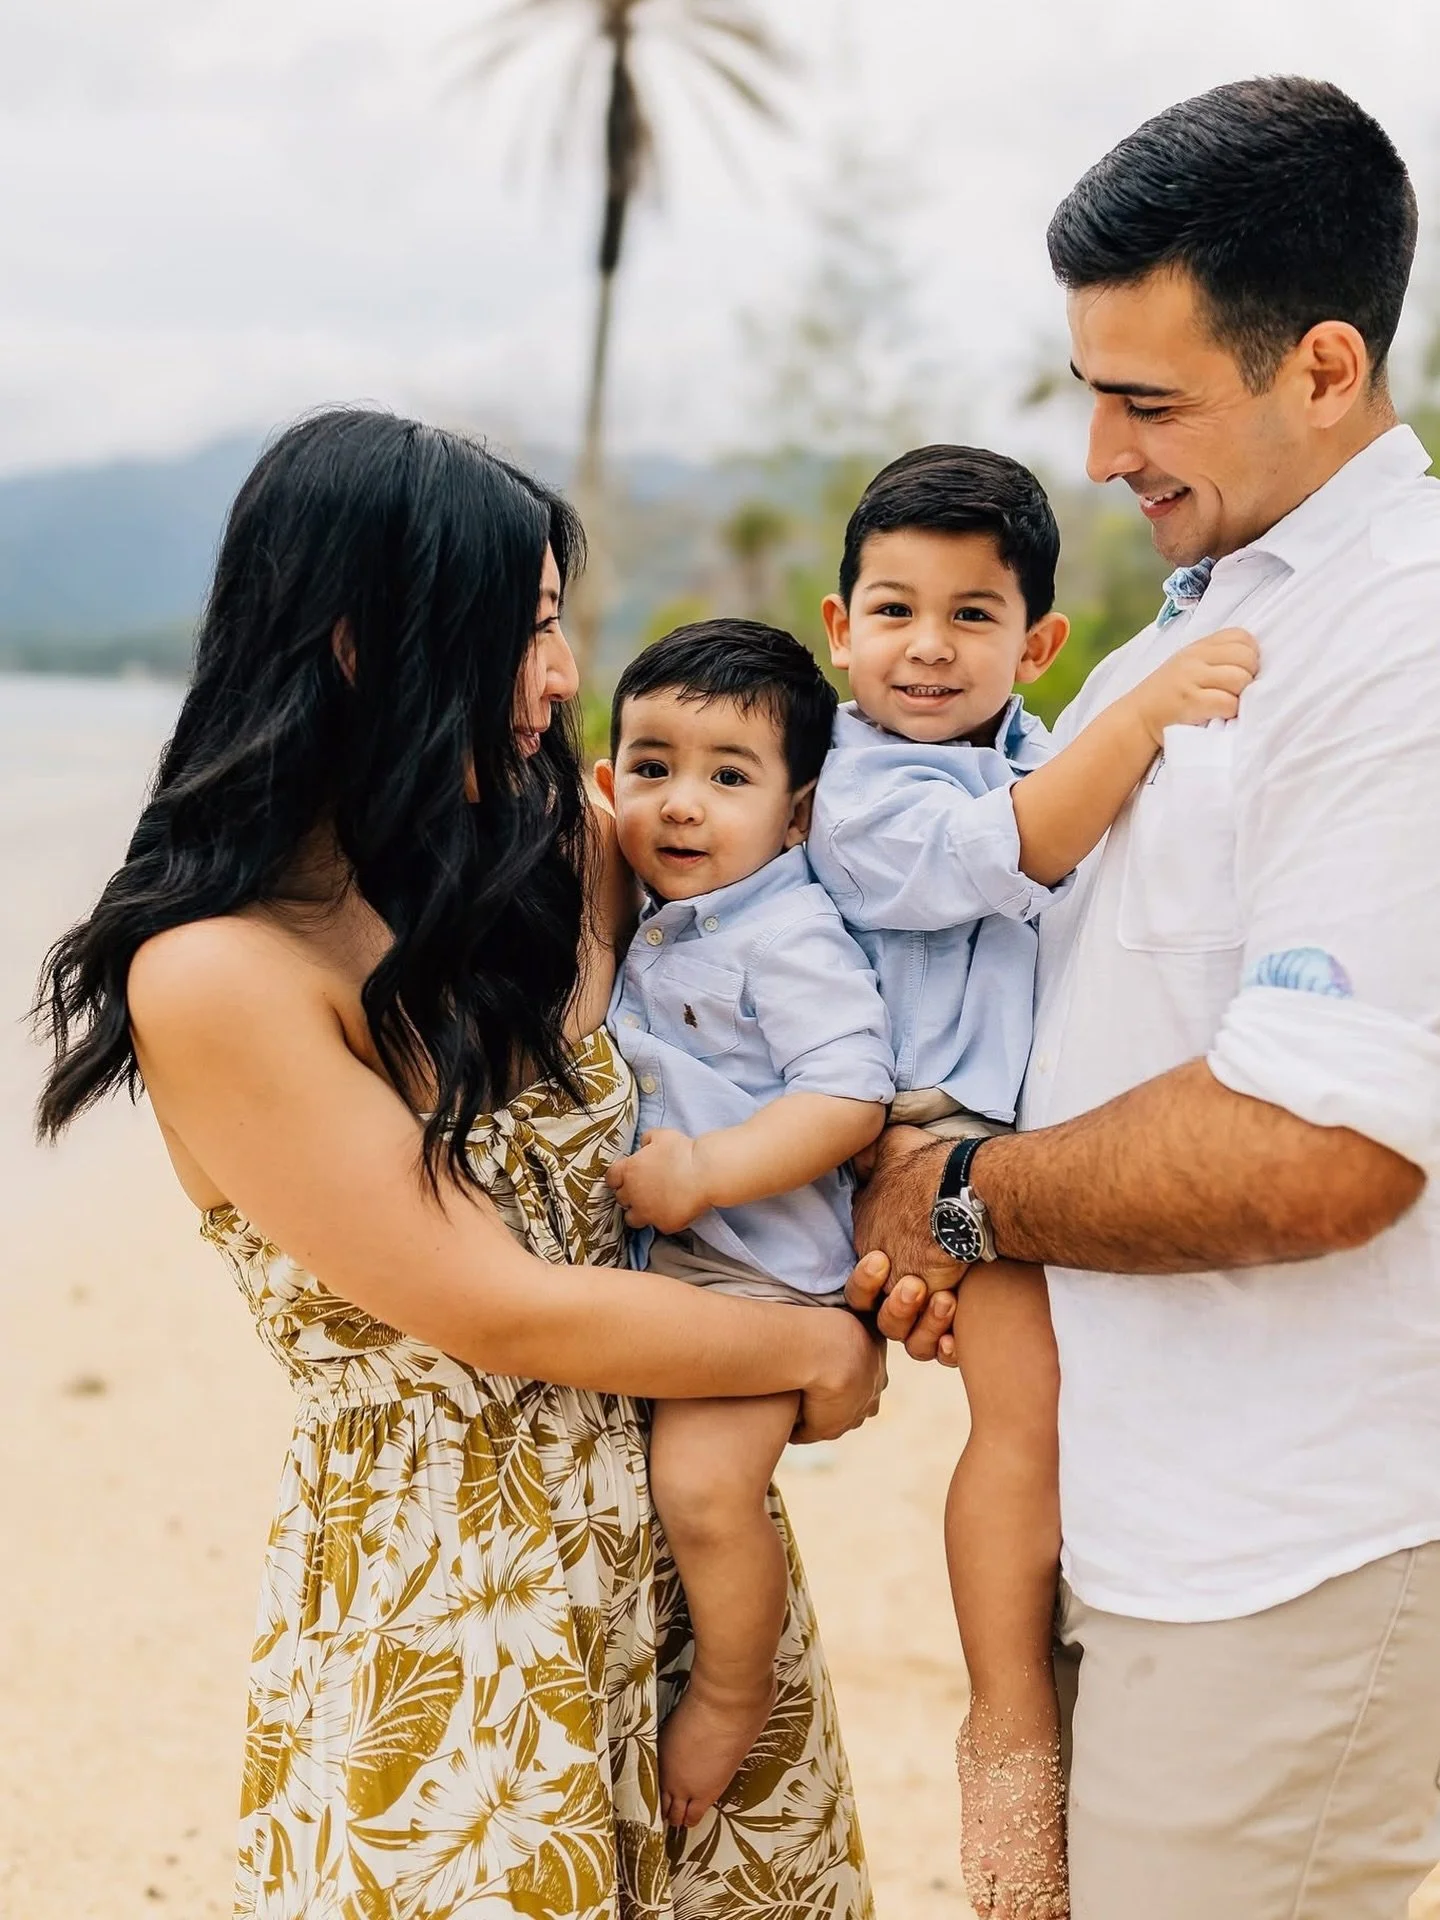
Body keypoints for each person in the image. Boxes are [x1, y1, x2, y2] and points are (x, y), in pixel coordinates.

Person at [33, 410, 886, 1919]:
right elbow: (500, 1310)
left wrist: (918, 1225)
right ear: (366, 642)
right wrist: (812, 1339)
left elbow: (827, 982)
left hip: (678, 1575)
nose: (565, 679)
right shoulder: (219, 973)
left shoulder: (549, 845)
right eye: (533, 629)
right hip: (450, 1612)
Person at [850, 77, 1440, 1920]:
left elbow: (1318, 1148)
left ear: (1326, 367)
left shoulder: (1398, 647)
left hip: (1292, 1548)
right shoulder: (1194, 622)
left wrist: (956, 1200)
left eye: (1151, 400)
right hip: (1132, 1506)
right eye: (1091, 388)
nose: (1099, 451)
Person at [808, 444, 1255, 1915]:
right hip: (932, 1142)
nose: (928, 647)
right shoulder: (865, 794)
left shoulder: (1018, 739)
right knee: (1028, 1420)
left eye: (971, 615)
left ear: (1035, 641)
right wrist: (1148, 711)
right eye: (894, 611)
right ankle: (1008, 1713)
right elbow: (1036, 842)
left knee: (1068, 1411)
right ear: (839, 629)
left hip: (1011, 1149)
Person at [595, 620, 896, 1828]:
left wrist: (710, 1170)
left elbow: (847, 1094)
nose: (682, 805)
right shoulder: (646, 907)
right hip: (675, 1269)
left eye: (729, 777)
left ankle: (728, 1692)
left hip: (760, 1280)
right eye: (652, 766)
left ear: (799, 811)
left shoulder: (791, 933)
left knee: (706, 1492)